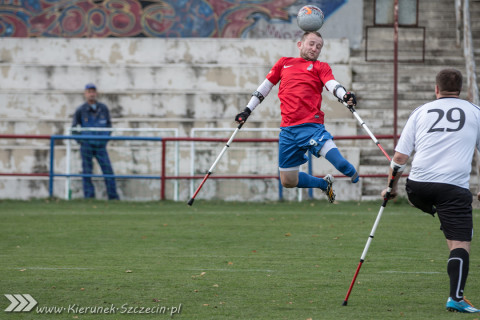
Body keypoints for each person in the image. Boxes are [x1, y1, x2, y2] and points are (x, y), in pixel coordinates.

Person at [382, 68, 480, 313]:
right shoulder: (476, 113)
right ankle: (455, 299)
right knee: (460, 243)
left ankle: (442, 214)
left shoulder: (420, 111)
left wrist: (390, 189)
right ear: (461, 89)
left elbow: (400, 158)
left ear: (436, 89)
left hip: (417, 189)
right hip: (452, 189)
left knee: (444, 210)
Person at [234, 31, 359, 202]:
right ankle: (323, 184)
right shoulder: (284, 63)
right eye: (311, 44)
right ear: (300, 44)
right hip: (288, 131)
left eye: (319, 46)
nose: (314, 48)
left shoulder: (320, 67)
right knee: (288, 181)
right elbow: (265, 87)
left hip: (312, 128)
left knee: (342, 165)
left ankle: (354, 175)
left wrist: (344, 95)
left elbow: (332, 84)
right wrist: (247, 110)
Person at [72, 83, 119, 200]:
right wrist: (81, 141)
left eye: (93, 91)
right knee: (87, 172)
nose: (91, 94)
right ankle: (89, 197)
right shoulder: (80, 110)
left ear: (96, 93)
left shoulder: (103, 108)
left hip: (100, 145)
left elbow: (109, 126)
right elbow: (74, 128)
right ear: (85, 94)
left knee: (108, 171)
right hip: (87, 145)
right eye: (89, 92)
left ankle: (113, 197)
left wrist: (105, 139)